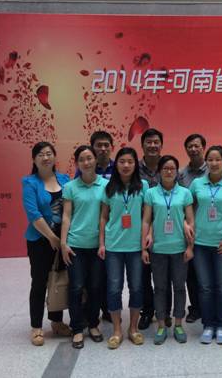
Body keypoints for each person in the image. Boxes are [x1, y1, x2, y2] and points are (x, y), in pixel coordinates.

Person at [189, 146, 222, 345]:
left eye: (217, 160)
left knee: (221, 286)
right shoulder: (197, 183)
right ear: (206, 162)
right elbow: (187, 208)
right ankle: (208, 325)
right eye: (210, 160)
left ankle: (221, 325)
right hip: (200, 243)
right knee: (205, 287)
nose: (213, 163)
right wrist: (187, 225)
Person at [22, 142, 72, 346]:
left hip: (64, 240)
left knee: (58, 279)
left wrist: (63, 240)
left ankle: (57, 322)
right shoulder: (29, 182)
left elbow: (70, 207)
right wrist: (52, 238)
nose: (45, 157)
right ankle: (36, 327)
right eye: (41, 154)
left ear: (54, 156)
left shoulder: (65, 179)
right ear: (34, 159)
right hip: (40, 241)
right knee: (40, 281)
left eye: (49, 153)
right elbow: (33, 214)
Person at [99, 147, 150, 349]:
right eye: (122, 162)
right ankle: (117, 330)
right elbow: (103, 217)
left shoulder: (143, 186)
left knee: (137, 287)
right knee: (114, 288)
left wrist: (147, 238)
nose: (126, 165)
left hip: (136, 246)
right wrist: (102, 243)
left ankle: (133, 329)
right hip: (114, 246)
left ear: (135, 164)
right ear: (116, 164)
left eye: (130, 161)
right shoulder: (108, 187)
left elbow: (148, 216)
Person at [142, 155, 195, 344]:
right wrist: (144, 248)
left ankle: (178, 323)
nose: (169, 171)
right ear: (159, 171)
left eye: (172, 168)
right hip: (158, 249)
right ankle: (161, 325)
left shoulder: (185, 193)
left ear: (177, 171)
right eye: (165, 168)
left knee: (179, 287)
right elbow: (146, 220)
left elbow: (191, 221)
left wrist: (190, 247)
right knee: (160, 288)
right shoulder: (151, 193)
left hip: (179, 249)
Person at [60, 145, 106, 349]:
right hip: (75, 245)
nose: (86, 162)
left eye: (89, 158)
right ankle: (77, 328)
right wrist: (63, 243)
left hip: (98, 246)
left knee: (95, 287)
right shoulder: (70, 187)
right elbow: (66, 216)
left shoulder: (105, 185)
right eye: (81, 159)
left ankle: (93, 324)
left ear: (95, 160)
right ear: (77, 163)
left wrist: (105, 243)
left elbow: (106, 216)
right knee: (76, 287)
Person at [75, 130, 114, 323]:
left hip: (113, 229)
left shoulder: (118, 167)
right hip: (88, 230)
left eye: (106, 145)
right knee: (89, 277)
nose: (103, 148)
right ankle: (88, 312)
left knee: (107, 274)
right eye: (99, 145)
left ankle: (107, 309)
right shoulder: (86, 167)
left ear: (111, 147)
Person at [138, 128, 172, 329]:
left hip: (165, 231)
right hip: (139, 229)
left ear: (161, 144)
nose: (152, 145)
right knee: (143, 274)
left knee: (164, 275)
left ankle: (165, 311)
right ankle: (147, 311)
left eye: (156, 142)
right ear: (142, 145)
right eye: (148, 142)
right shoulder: (134, 168)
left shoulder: (168, 167)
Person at [178, 133, 208, 323]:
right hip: (188, 229)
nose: (194, 149)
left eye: (197, 146)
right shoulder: (181, 174)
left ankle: (209, 306)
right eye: (190, 146)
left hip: (209, 229)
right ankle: (195, 308)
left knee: (208, 272)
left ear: (203, 147)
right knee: (191, 273)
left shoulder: (214, 169)